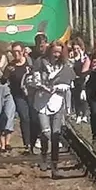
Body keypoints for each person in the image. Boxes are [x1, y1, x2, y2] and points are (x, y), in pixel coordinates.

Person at [28, 40, 77, 177]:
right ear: (50, 51)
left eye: (59, 52)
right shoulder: (40, 62)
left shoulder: (65, 65)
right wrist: (40, 85)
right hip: (42, 101)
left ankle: (55, 166)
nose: (56, 55)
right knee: (46, 133)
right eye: (54, 52)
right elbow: (34, 78)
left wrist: (59, 87)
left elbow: (69, 83)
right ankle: (44, 155)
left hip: (57, 101)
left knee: (56, 134)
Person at [5, 42, 37, 154]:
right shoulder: (11, 66)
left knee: (34, 118)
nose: (16, 54)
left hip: (32, 95)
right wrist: (7, 73)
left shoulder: (30, 63)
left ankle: (34, 142)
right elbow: (3, 80)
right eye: (14, 52)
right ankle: (27, 144)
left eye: (18, 51)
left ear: (23, 51)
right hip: (19, 95)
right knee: (24, 117)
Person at [69, 38, 91, 123]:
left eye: (77, 48)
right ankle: (78, 114)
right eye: (74, 49)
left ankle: (85, 115)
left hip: (83, 80)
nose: (76, 50)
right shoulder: (72, 59)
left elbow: (85, 70)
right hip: (75, 81)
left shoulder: (84, 58)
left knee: (83, 98)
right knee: (76, 98)